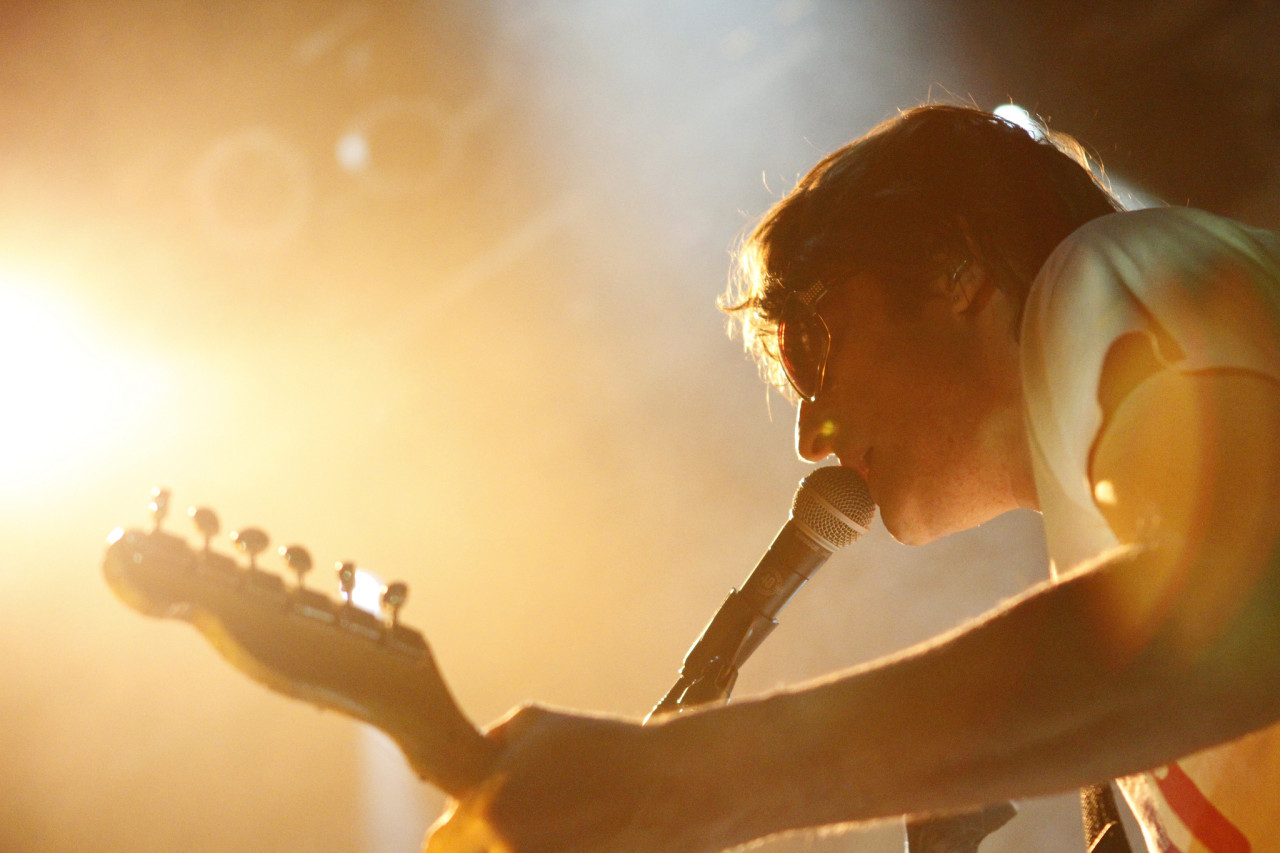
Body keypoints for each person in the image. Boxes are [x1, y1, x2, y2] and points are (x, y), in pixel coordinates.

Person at [425, 104, 1280, 853]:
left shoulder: (1109, 269)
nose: (806, 434)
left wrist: (680, 782)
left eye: (811, 346)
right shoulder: (1104, 587)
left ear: (957, 269)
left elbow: (1238, 607)